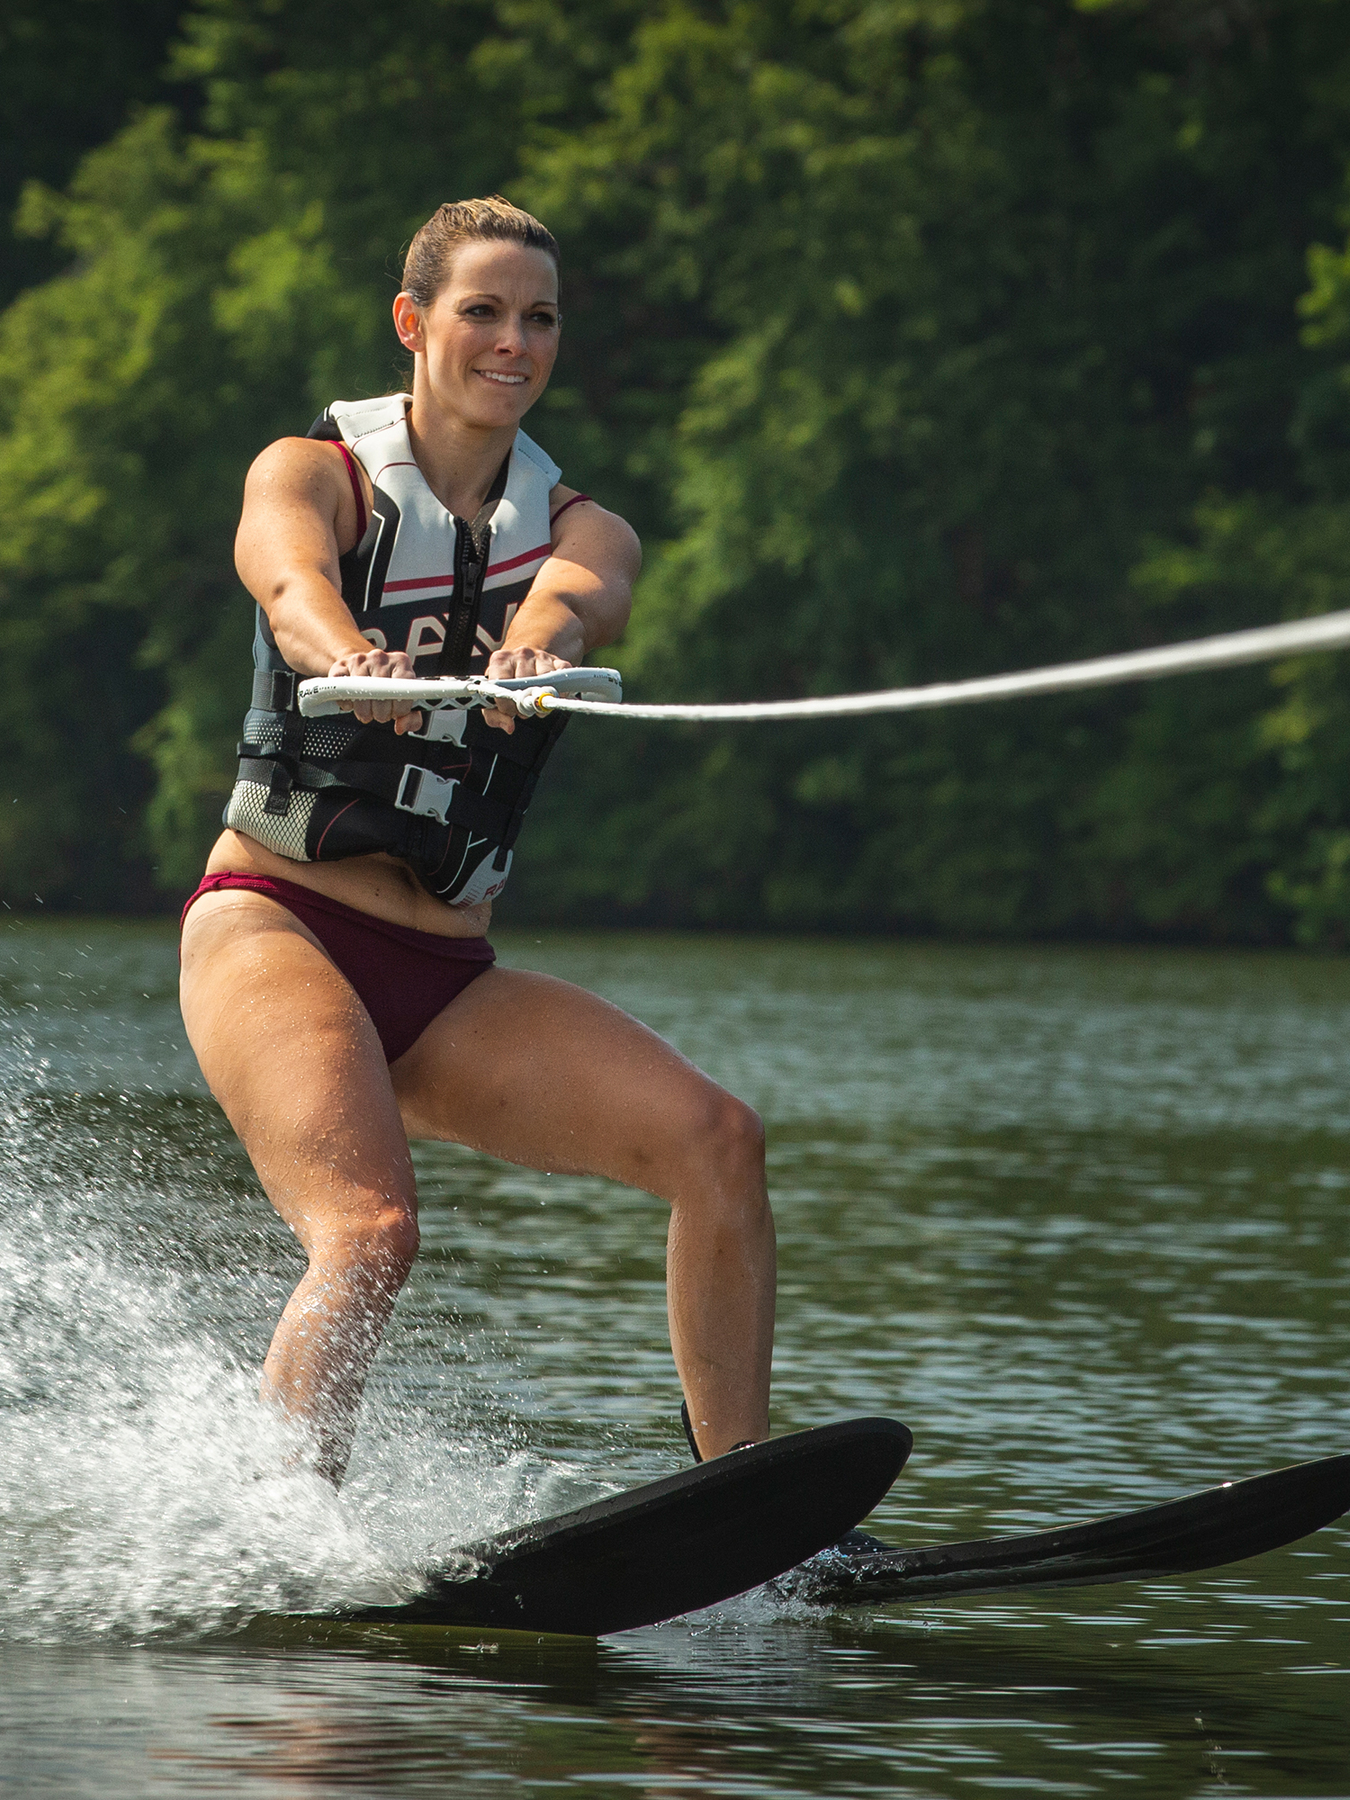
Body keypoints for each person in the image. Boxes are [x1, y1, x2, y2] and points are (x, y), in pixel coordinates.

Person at [179, 197, 774, 1484]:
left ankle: (755, 1514)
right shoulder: (312, 475)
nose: (516, 341)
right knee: (371, 1235)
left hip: (453, 983)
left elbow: (579, 598)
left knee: (718, 1143)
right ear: (414, 322)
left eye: (541, 318)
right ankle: (285, 1537)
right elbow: (289, 586)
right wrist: (352, 661)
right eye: (484, 311)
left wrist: (534, 651)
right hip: (279, 931)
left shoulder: (583, 527)